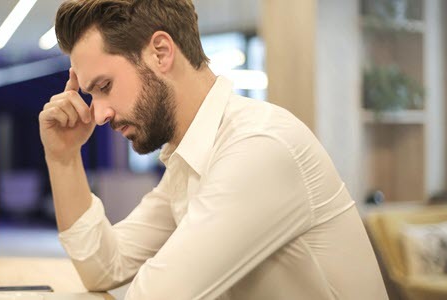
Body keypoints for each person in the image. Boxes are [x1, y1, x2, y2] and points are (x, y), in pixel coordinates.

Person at [38, 0, 388, 299]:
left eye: (105, 86)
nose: (98, 114)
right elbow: (105, 267)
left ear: (161, 52)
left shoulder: (258, 148)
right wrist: (64, 157)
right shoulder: (189, 159)